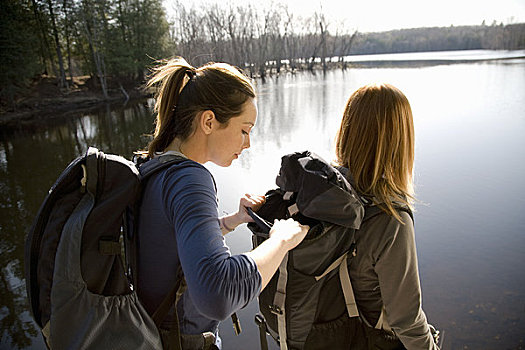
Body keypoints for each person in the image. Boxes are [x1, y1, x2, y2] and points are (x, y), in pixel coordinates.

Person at [136, 57, 309, 349]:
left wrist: (231, 221)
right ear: (208, 121)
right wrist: (280, 242)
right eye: (244, 129)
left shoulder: (152, 166)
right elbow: (219, 293)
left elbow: (166, 243)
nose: (248, 143)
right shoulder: (190, 179)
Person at [335, 83, 439, 349]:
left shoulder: (324, 196)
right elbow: (408, 321)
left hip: (329, 332)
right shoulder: (390, 219)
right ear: (399, 140)